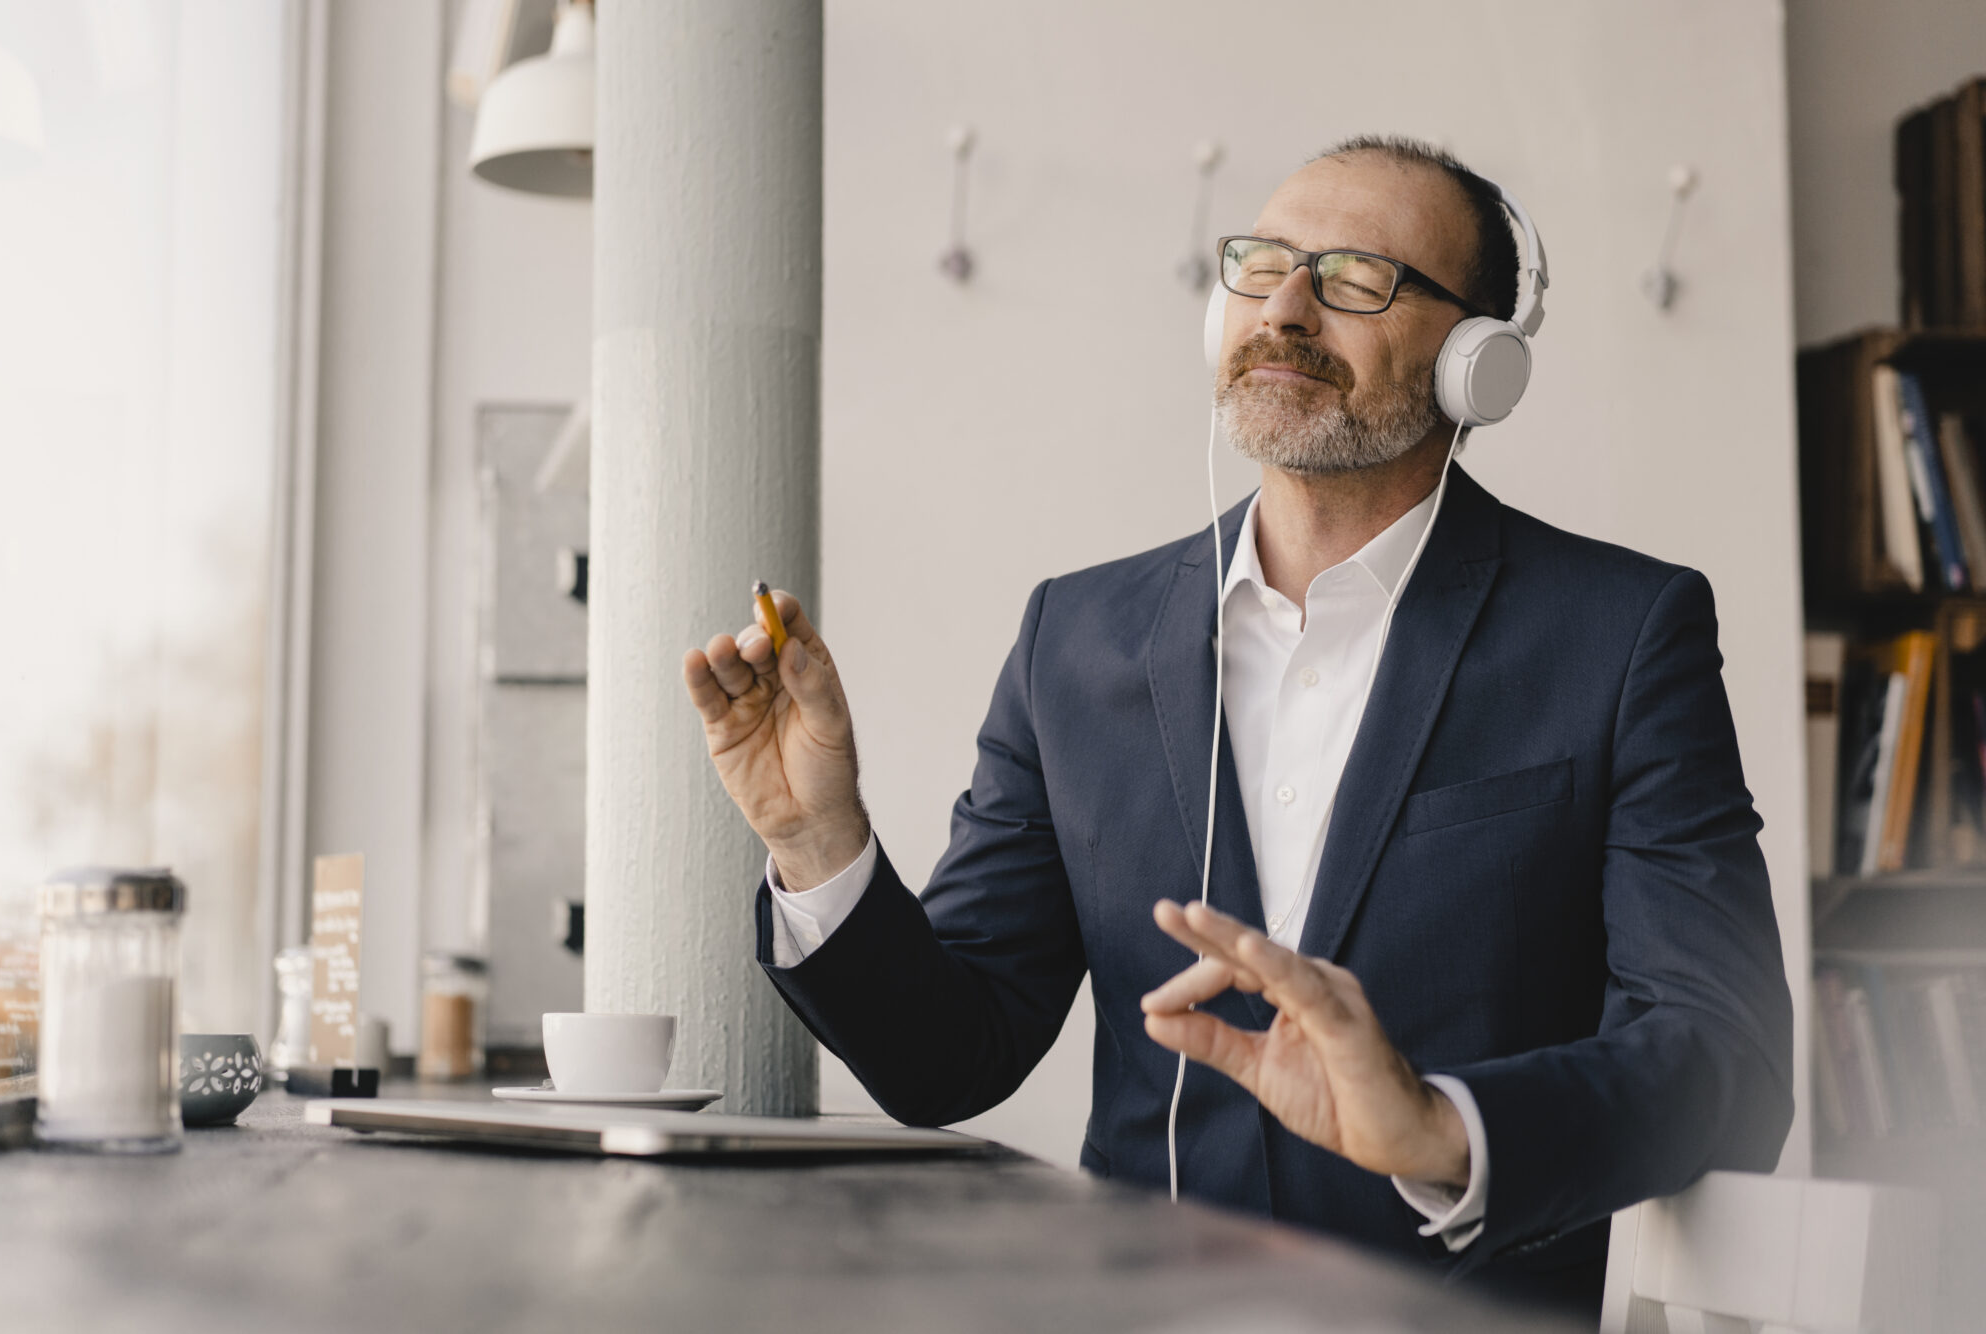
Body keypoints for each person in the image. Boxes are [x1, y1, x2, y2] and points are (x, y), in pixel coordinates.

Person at [680, 135, 1793, 1315]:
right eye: (1262, 266)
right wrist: (817, 840)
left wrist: (1437, 1129)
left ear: (1477, 362)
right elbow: (948, 1056)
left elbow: (1724, 1057)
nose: (1287, 307)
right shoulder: (1075, 634)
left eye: (1357, 276)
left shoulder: (1620, 633)